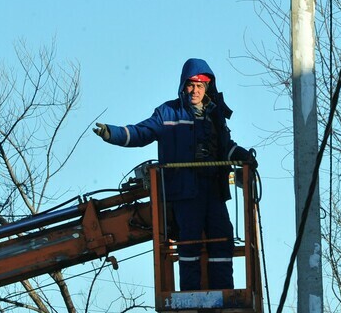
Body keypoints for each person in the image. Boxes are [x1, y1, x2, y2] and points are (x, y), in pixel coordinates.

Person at [93, 58, 255, 291]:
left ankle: (223, 291)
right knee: (189, 241)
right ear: (183, 86)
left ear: (207, 87)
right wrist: (113, 134)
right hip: (185, 191)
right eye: (191, 85)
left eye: (200, 86)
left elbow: (226, 147)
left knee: (222, 238)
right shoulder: (167, 113)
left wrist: (242, 155)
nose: (195, 91)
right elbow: (140, 133)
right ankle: (191, 293)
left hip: (213, 190)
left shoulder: (215, 115)